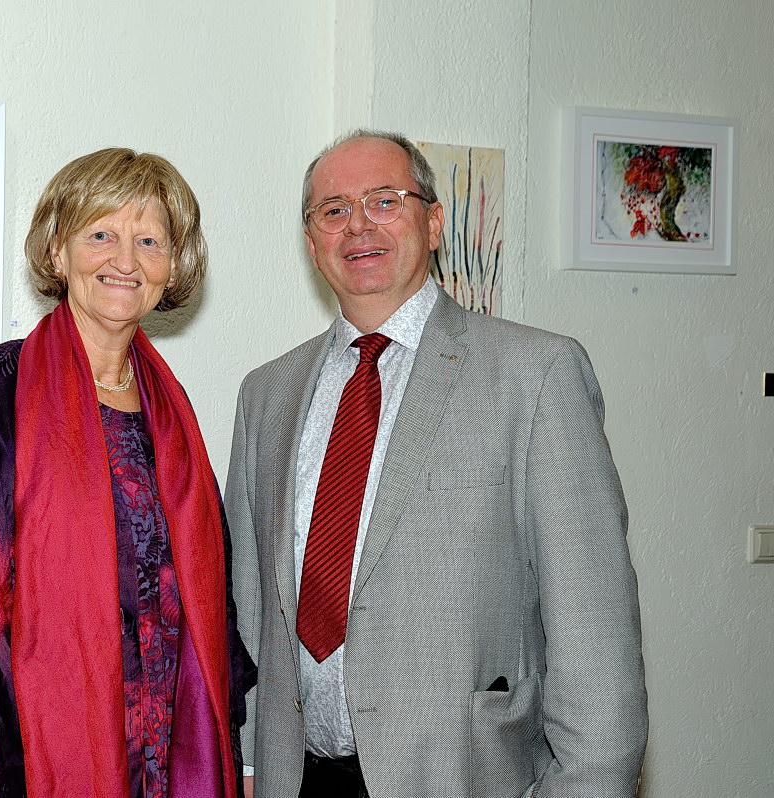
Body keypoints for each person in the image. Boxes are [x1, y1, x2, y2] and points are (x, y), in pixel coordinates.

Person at [226, 130, 647, 798]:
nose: (358, 225)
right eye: (333, 210)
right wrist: (246, 765)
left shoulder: (535, 374)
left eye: (384, 201)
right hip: (297, 778)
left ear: (433, 222)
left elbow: (593, 627)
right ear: (311, 241)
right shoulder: (267, 394)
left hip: (463, 776)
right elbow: (248, 607)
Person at [0, 147, 253, 798]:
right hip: (24, 763)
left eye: (149, 241)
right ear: (56, 251)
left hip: (170, 766)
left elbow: (214, 620)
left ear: (173, 266)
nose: (125, 260)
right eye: (100, 234)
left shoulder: (172, 413)